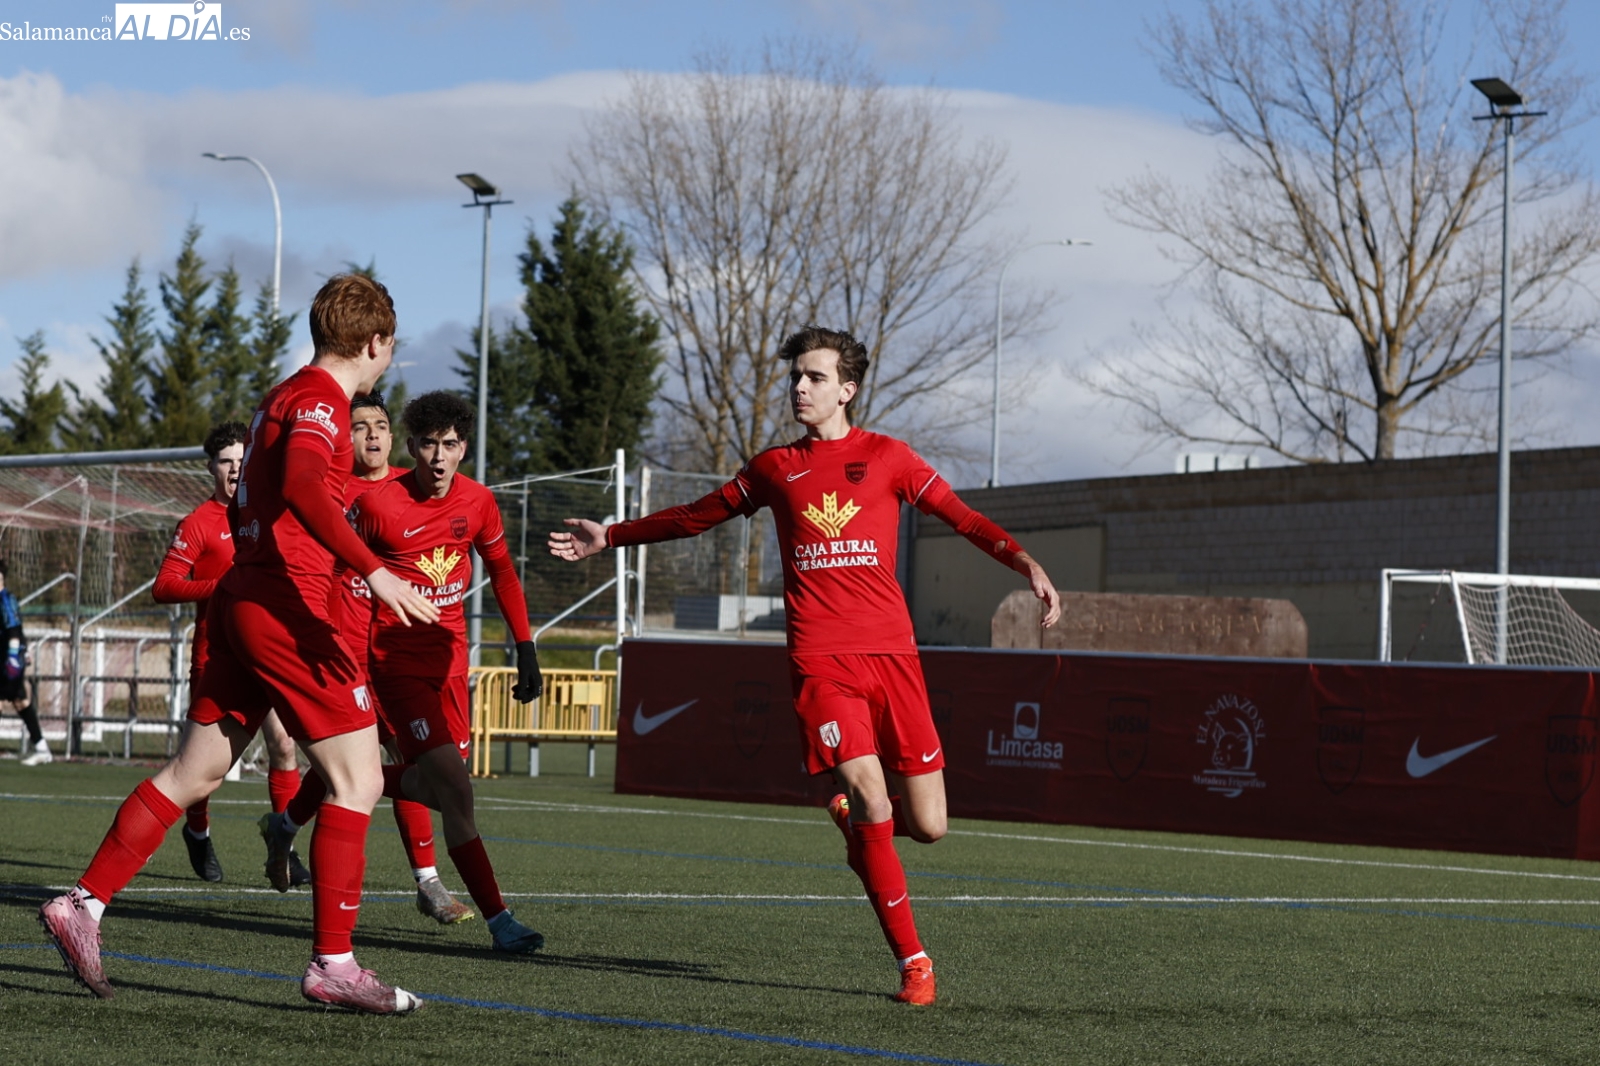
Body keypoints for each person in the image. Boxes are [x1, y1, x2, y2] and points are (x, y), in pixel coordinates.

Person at [548, 326, 1062, 1006]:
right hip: (821, 662)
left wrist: (1024, 561)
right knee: (874, 799)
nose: (799, 387)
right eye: (795, 376)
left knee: (929, 826)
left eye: (814, 377)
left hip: (894, 659)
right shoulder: (773, 467)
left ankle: (858, 827)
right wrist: (611, 535)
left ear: (847, 389)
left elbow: (962, 519)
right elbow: (698, 516)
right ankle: (914, 963)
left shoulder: (890, 458)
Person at [39, 273, 440, 1013]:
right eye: (391, 346)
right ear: (375, 341)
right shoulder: (320, 400)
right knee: (358, 782)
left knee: (193, 774)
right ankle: (334, 964)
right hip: (287, 606)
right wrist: (375, 571)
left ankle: (82, 906)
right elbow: (305, 487)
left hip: (244, 600)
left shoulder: (283, 394)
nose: (388, 360)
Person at [262, 390, 544, 954]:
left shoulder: (480, 502)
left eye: (451, 445)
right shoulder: (378, 506)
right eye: (430, 444)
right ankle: (499, 921)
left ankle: (289, 819)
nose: (439, 457)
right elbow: (331, 571)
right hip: (394, 667)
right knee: (457, 791)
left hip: (451, 667)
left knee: (433, 788)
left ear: (464, 448)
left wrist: (525, 646)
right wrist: (325, 641)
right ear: (411, 446)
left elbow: (504, 573)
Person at [267, 392, 475, 926]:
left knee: (403, 757)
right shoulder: (328, 494)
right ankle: (424, 882)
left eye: (380, 424)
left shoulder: (413, 487)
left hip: (396, 653)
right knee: (350, 766)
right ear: (343, 438)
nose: (373, 435)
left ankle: (288, 827)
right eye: (359, 427)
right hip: (345, 652)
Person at [152, 421, 309, 885]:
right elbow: (164, 586)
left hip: (269, 656)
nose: (236, 469)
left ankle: (284, 847)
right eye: (226, 461)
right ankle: (198, 831)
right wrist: (221, 587)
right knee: (204, 771)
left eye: (243, 460)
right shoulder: (198, 523)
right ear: (211, 468)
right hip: (218, 659)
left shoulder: (270, 514)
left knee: (284, 746)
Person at [0, 559, 48, 766]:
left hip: (7, 659)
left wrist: (13, 655)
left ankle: (42, 749)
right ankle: (42, 748)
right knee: (20, 701)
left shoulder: (5, 599)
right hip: (5, 657)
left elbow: (14, 628)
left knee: (15, 700)